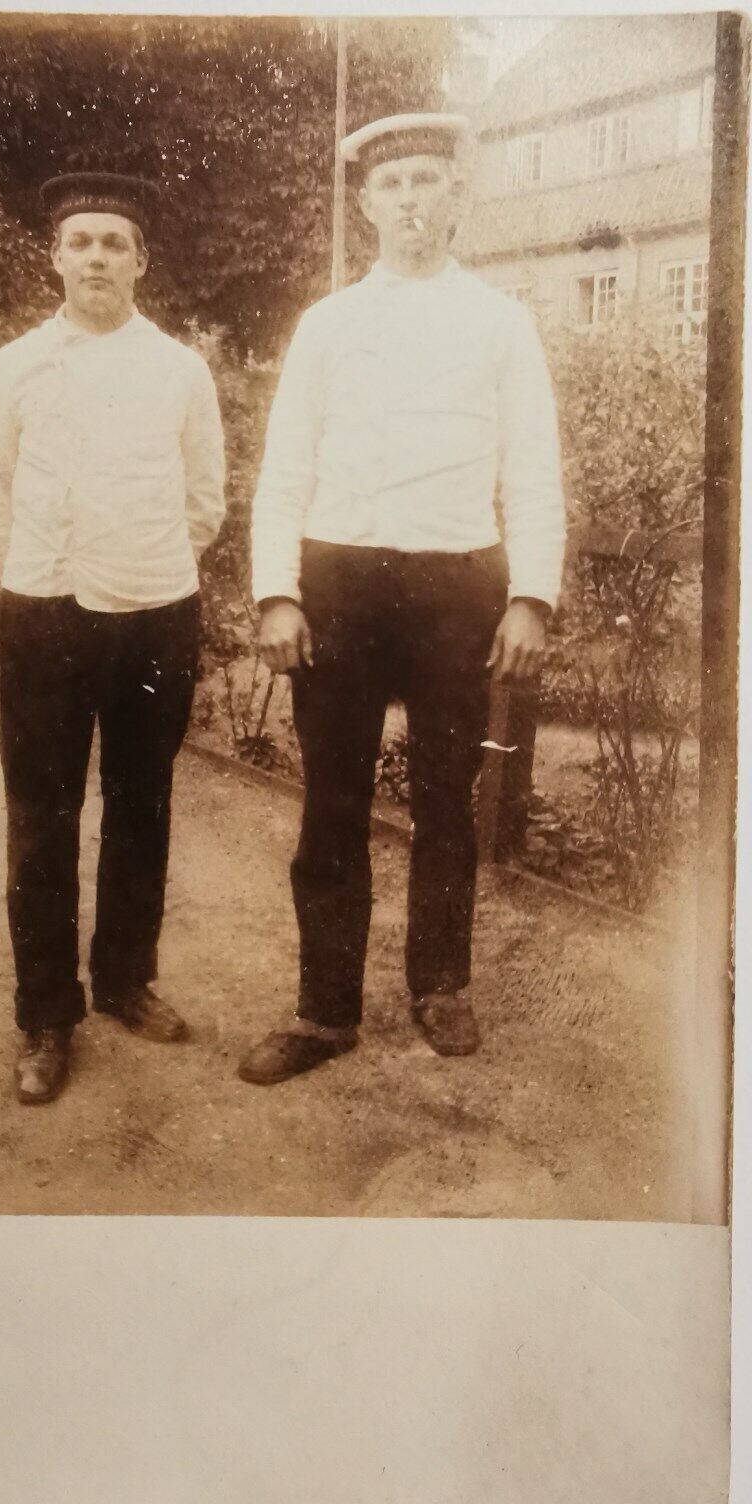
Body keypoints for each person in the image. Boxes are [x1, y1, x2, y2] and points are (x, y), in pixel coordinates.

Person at [240, 113, 566, 1085]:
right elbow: (284, 467)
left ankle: (440, 987)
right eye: (394, 185)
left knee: (444, 801)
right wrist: (275, 593)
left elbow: (533, 470)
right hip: (338, 582)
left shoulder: (502, 323)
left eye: (430, 180)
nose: (413, 200)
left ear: (457, 196)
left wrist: (531, 598)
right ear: (366, 202)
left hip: (455, 585)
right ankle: (324, 1010)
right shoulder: (328, 324)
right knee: (331, 803)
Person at [0, 171, 226, 1104]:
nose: (98, 259)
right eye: (81, 242)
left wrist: (145, 564)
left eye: (115, 243)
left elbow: (205, 501)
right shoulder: (14, 367)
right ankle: (45, 1014)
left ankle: (123, 979)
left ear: (141, 261)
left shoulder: (181, 370)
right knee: (41, 821)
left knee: (142, 805)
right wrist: (36, 577)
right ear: (56, 257)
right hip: (46, 613)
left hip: (157, 612)